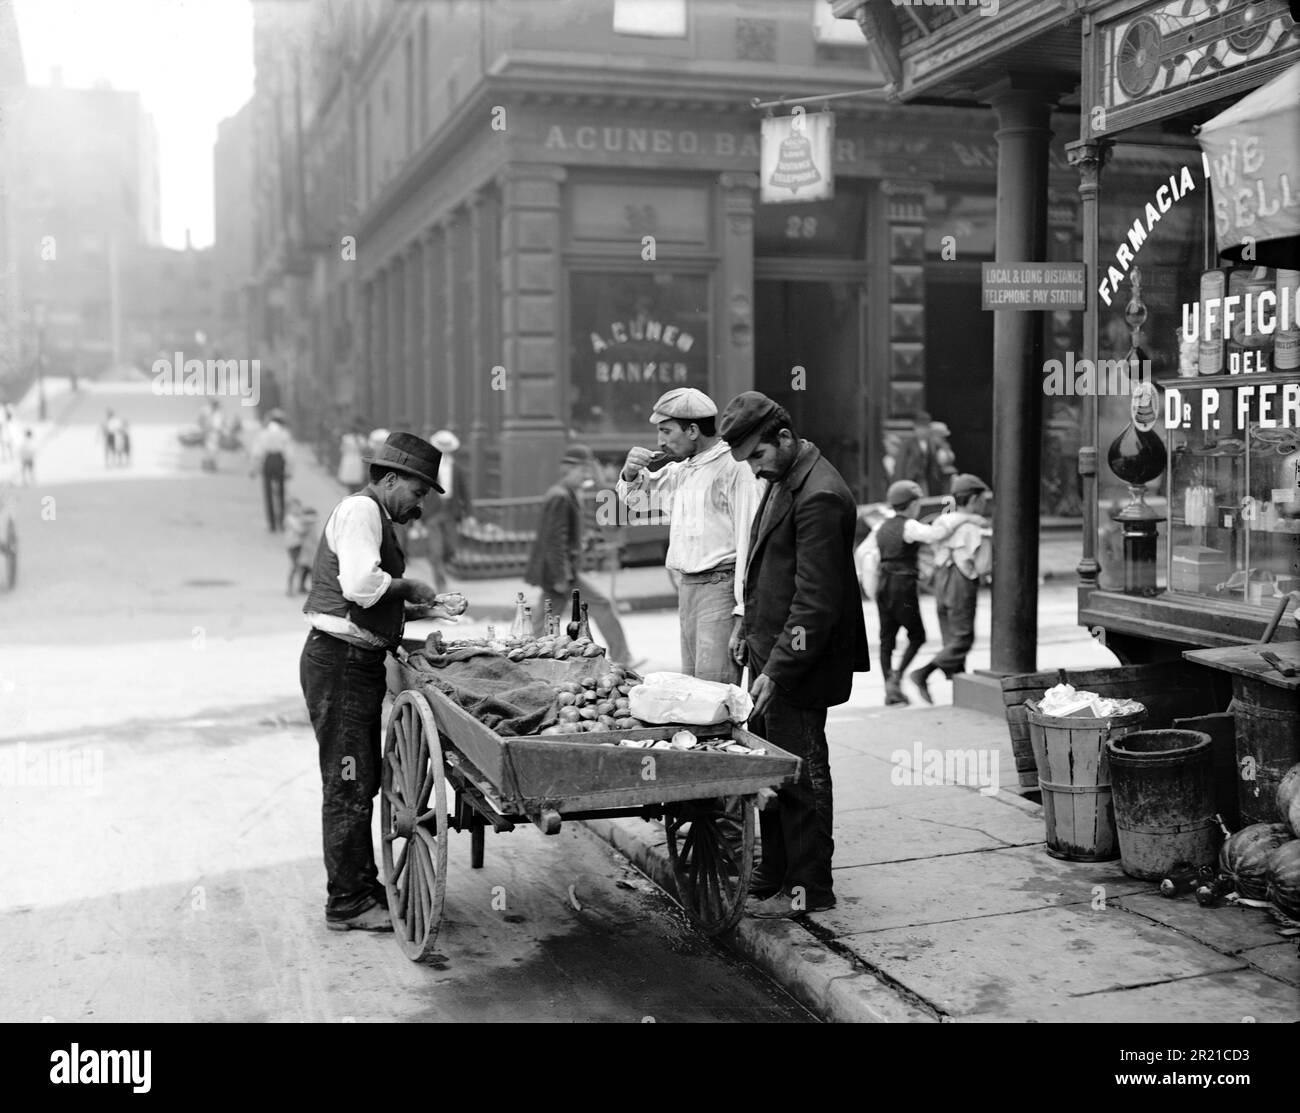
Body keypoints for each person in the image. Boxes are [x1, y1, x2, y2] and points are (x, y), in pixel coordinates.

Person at [300, 430, 469, 932]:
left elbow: (370, 606)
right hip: (340, 664)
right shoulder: (361, 511)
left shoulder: (376, 517)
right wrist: (411, 586)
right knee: (350, 783)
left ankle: (360, 882)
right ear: (391, 479)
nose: (418, 507)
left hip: (354, 660)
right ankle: (347, 902)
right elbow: (359, 588)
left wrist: (419, 621)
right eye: (416, 494)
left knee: (361, 778)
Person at [719, 391, 869, 920]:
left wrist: (778, 669)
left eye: (758, 456)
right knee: (771, 766)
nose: (756, 470)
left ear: (783, 437)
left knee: (802, 770)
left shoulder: (820, 494)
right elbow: (769, 567)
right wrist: (747, 628)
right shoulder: (786, 477)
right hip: (772, 650)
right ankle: (776, 869)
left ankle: (811, 883)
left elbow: (816, 601)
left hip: (799, 662)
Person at [617, 387, 764, 685]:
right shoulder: (683, 470)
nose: (660, 441)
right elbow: (636, 500)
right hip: (688, 589)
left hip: (720, 587)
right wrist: (630, 474)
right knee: (694, 689)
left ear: (694, 430)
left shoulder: (735, 468)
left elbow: (751, 543)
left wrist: (742, 610)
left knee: (715, 691)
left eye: (666, 431)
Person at [857, 479, 984, 707]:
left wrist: (871, 582)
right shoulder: (910, 526)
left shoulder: (880, 527)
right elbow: (936, 534)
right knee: (917, 636)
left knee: (887, 639)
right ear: (913, 504)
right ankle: (900, 676)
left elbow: (863, 552)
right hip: (902, 586)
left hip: (884, 585)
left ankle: (890, 688)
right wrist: (967, 517)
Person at [523, 443, 633, 666]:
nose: (586, 476)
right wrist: (561, 576)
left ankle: (527, 656)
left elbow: (563, 535)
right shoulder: (561, 496)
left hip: (560, 570)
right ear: (569, 470)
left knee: (544, 617)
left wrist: (584, 540)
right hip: (561, 571)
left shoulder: (566, 494)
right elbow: (554, 541)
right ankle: (622, 658)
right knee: (599, 605)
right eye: (582, 471)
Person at [909, 474, 992, 705]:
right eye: (983, 499)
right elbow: (983, 565)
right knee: (963, 638)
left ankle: (958, 690)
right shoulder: (975, 528)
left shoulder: (942, 523)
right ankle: (923, 673)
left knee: (950, 639)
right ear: (974, 499)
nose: (984, 504)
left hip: (941, 581)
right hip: (960, 581)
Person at [421, 428, 471, 594]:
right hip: (433, 513)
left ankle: (442, 567)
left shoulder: (457, 468)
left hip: (451, 511)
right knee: (436, 552)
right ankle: (441, 585)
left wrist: (470, 514)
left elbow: (465, 491)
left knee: (450, 549)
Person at [250, 409, 292, 532]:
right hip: (279, 460)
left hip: (268, 460)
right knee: (281, 492)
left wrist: (254, 468)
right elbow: (289, 453)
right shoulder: (284, 434)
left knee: (268, 492)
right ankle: (282, 521)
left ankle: (272, 523)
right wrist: (289, 469)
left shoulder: (264, 433)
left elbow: (257, 452)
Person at [893, 411, 949, 496]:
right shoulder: (908, 444)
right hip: (911, 479)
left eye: (925, 428)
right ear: (915, 428)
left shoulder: (931, 444)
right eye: (920, 428)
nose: (923, 431)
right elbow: (900, 465)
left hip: (925, 481)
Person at [284, 499, 320, 595]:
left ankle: (301, 586)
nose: (296, 510)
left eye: (297, 507)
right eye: (294, 508)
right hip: (293, 545)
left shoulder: (299, 518)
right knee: (295, 566)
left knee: (306, 565)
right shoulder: (290, 518)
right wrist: (308, 522)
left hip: (300, 545)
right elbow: (299, 529)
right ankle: (290, 588)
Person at [337, 419, 367, 492]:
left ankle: (354, 491)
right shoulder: (346, 438)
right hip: (349, 458)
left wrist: (358, 441)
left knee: (356, 478)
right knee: (349, 477)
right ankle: (350, 491)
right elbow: (342, 449)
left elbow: (364, 448)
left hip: (356, 459)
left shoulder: (361, 438)